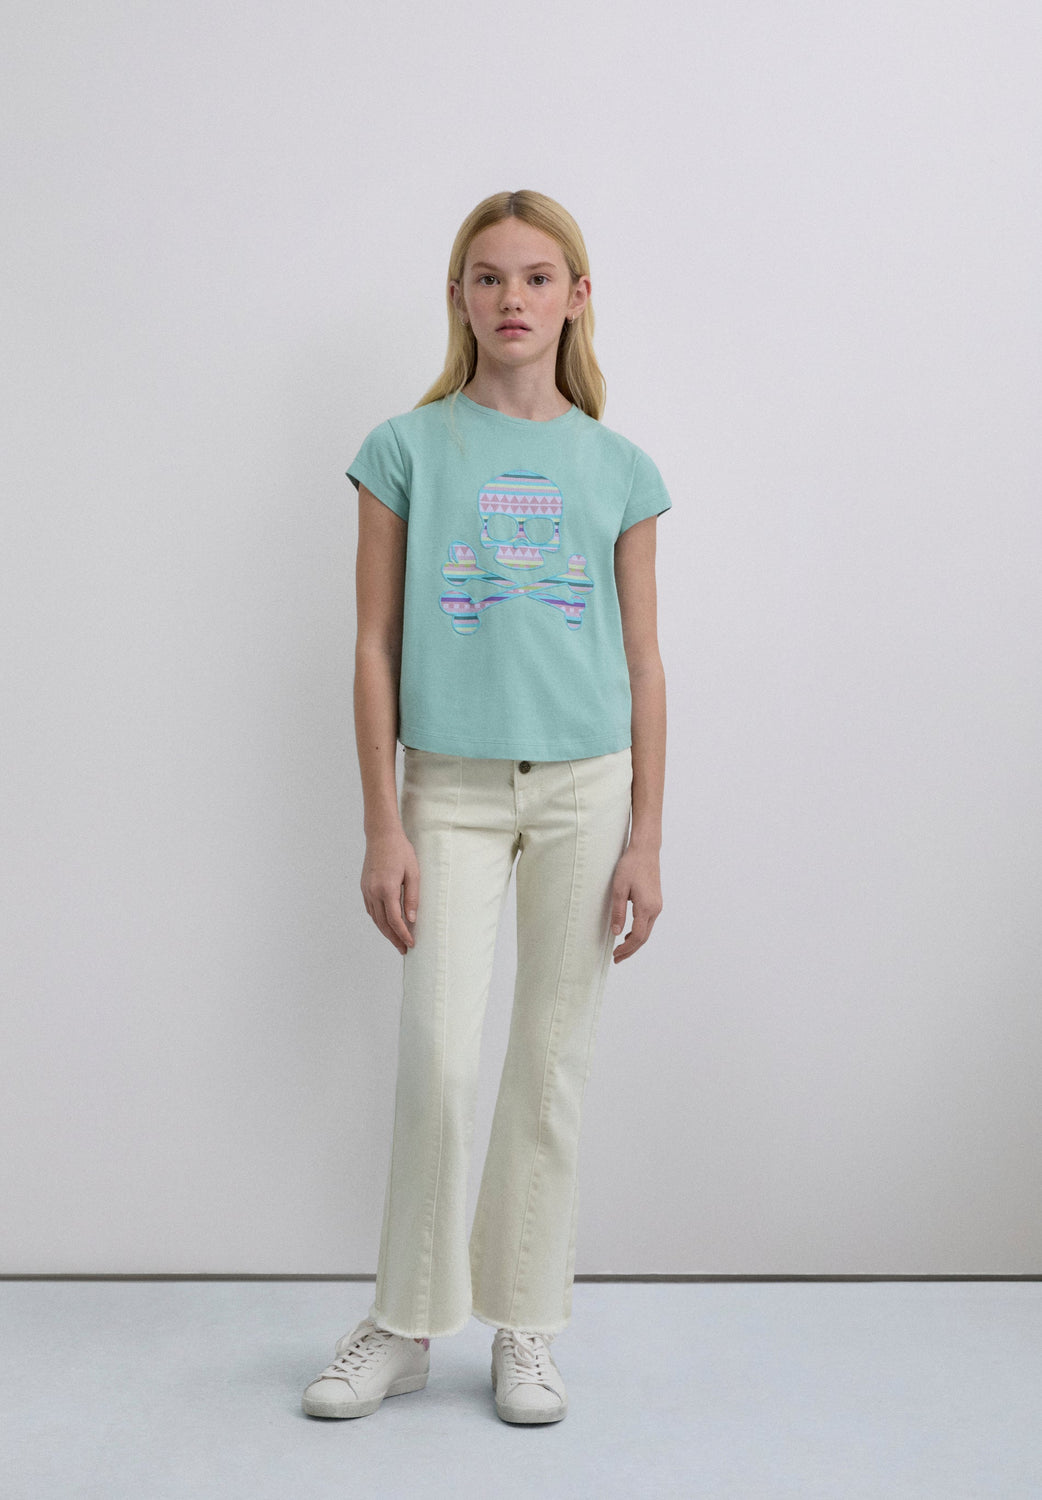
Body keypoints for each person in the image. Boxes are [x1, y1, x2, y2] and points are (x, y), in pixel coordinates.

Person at [303, 189, 671, 1426]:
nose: (512, 298)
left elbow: (644, 660)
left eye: (536, 276)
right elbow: (372, 644)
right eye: (488, 276)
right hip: (448, 789)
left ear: (577, 297)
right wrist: (383, 822)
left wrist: (647, 837)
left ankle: (527, 1324)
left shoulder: (620, 468)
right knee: (439, 1061)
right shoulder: (405, 449)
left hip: (585, 788)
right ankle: (407, 1322)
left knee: (551, 1063)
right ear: (458, 299)